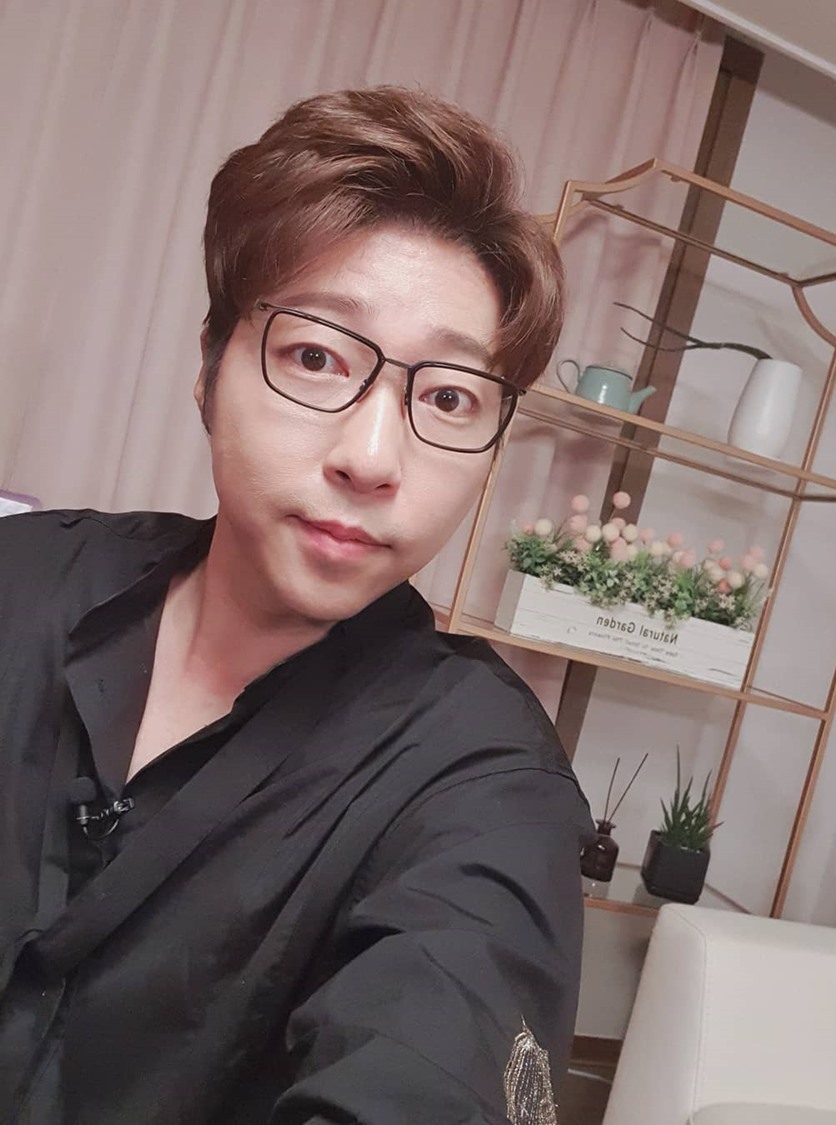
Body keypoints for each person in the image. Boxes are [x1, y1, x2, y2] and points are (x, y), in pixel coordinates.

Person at [0, 86, 592, 1124]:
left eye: (449, 396)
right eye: (316, 355)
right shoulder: (23, 577)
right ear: (210, 366)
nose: (374, 457)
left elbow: (436, 1053)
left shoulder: (483, 776)